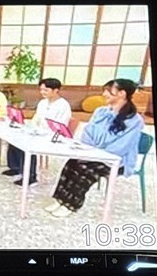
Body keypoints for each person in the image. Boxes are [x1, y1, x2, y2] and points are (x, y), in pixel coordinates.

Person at [46, 78, 144, 218]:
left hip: (116, 160)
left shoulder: (134, 120)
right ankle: (60, 199)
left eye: (108, 91)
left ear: (122, 94)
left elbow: (121, 146)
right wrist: (92, 150)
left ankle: (71, 204)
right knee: (72, 162)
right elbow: (87, 134)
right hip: (93, 153)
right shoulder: (100, 112)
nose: (104, 94)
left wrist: (98, 150)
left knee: (84, 169)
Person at [3, 77, 72, 187]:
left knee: (28, 145)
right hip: (39, 132)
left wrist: (43, 132)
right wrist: (29, 128)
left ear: (56, 90)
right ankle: (15, 167)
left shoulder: (63, 105)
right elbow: (36, 119)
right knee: (15, 138)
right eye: (41, 90)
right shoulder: (43, 103)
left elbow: (60, 126)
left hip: (53, 136)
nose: (42, 92)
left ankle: (30, 176)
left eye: (46, 90)